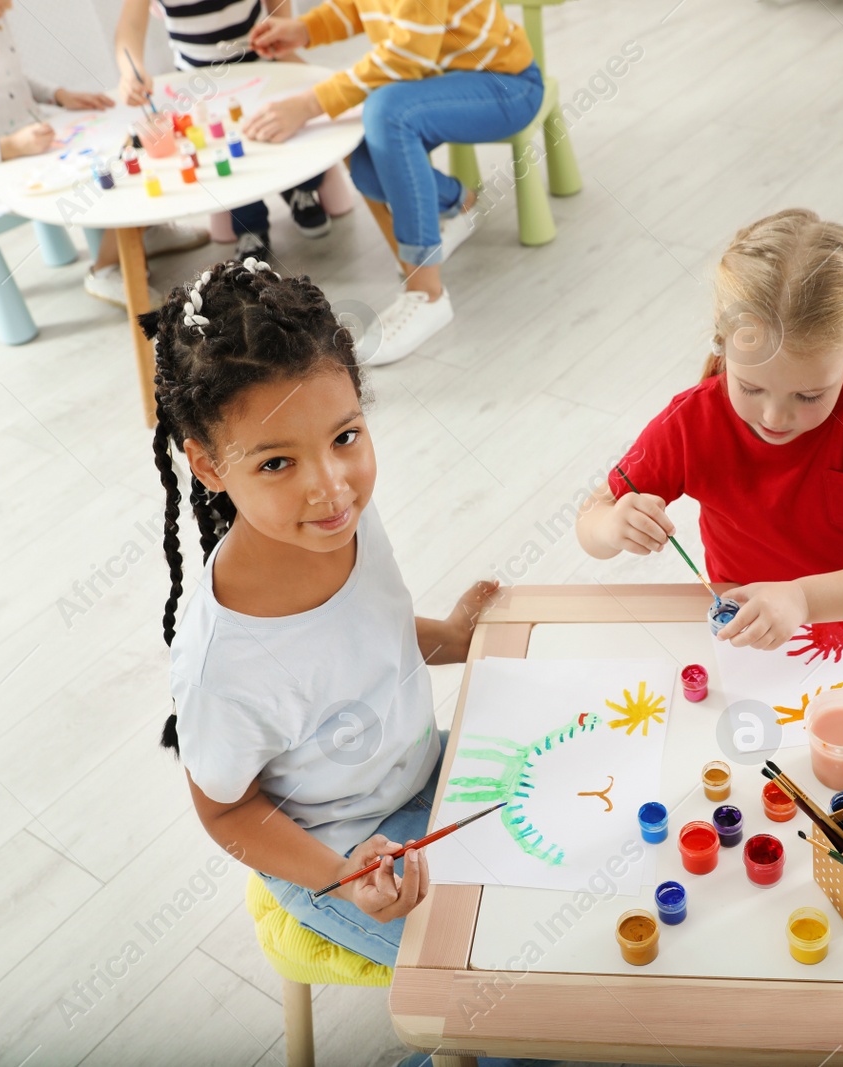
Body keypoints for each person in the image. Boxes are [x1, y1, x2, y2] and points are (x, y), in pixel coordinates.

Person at [147, 258, 566, 1067]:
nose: (332, 486)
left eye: (345, 437)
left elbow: (374, 636)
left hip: (433, 779)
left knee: (593, 921)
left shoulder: (343, 525)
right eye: (277, 462)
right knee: (526, 1002)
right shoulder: (221, 662)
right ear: (206, 465)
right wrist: (343, 872)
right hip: (340, 854)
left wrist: (453, 632)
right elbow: (224, 811)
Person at [576, 209, 843, 647]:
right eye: (751, 387)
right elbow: (593, 518)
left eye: (809, 396)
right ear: (723, 338)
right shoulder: (692, 421)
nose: (775, 418)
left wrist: (802, 599)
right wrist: (611, 527)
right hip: (743, 634)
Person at [242, 0, 545, 366]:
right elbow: (360, 6)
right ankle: (461, 203)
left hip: (505, 85)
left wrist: (308, 104)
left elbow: (407, 55)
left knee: (386, 111)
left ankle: (427, 295)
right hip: (437, 84)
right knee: (369, 166)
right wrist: (305, 30)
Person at [0, 0, 207, 307]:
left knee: (131, 141)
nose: (8, 6)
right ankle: (105, 269)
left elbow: (9, 77)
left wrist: (58, 95)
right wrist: (12, 145)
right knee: (113, 169)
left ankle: (146, 232)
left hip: (37, 137)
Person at [114, 0, 333, 259]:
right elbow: (130, 27)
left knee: (285, 124)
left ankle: (302, 189)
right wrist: (131, 71)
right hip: (197, 84)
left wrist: (282, 27)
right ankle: (249, 227)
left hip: (260, 66)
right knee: (223, 151)